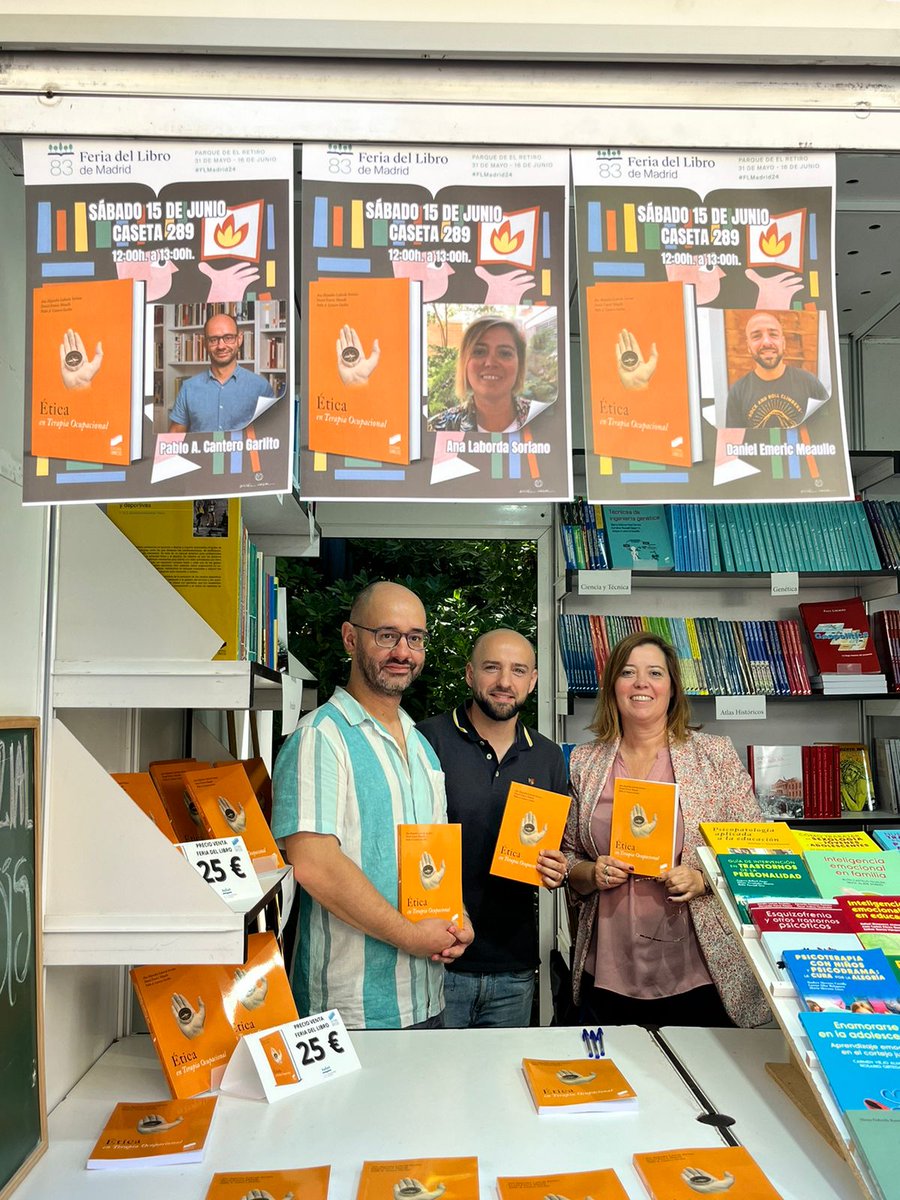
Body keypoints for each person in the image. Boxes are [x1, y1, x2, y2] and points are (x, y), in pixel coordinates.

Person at [271, 581, 473, 1029]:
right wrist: (410, 937)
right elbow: (315, 865)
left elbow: (433, 857)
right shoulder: (320, 738)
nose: (403, 651)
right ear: (350, 638)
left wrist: (458, 920)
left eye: (415, 638)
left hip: (426, 998)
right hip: (351, 1013)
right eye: (387, 635)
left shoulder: (421, 746)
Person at [562, 631, 770, 1028]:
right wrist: (592, 872)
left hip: (697, 973)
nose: (641, 683)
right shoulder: (584, 763)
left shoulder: (714, 755)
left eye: (654, 673)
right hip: (606, 970)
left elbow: (756, 848)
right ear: (612, 688)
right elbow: (569, 857)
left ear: (672, 688)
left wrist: (702, 878)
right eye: (628, 673)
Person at [418, 629, 568, 1027]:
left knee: (503, 1085)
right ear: (469, 674)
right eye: (492, 668)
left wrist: (558, 866)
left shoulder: (549, 756)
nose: (505, 682)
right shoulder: (424, 740)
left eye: (518, 670)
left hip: (513, 969)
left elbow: (557, 849)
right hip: (436, 962)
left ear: (533, 681)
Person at [168, 311, 274, 433]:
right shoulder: (188, 388)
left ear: (239, 339)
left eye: (228, 338)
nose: (221, 346)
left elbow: (272, 435)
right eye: (213, 339)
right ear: (205, 344)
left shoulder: (261, 387)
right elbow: (174, 438)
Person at [428, 316, 538, 433]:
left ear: (519, 364)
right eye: (479, 352)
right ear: (464, 363)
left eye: (505, 353)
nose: (490, 363)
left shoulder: (544, 418)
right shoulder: (437, 429)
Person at [724, 311, 829, 430]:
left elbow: (828, 433)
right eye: (757, 336)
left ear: (783, 343)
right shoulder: (737, 392)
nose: (766, 342)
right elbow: (734, 444)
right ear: (748, 347)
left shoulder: (810, 383)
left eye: (773, 334)